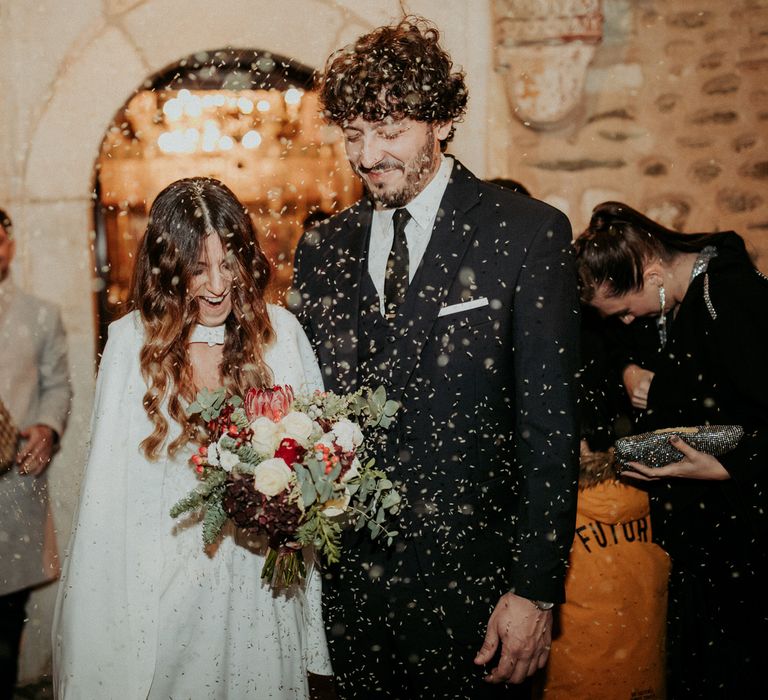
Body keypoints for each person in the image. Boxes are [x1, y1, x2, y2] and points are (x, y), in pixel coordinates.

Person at [292, 17, 580, 699]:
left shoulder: (525, 233)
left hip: (477, 601)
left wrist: (536, 590)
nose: (367, 156)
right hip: (352, 603)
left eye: (389, 131)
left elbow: (550, 430)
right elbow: (310, 411)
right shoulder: (324, 248)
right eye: (354, 135)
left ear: (444, 120)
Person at [53, 178, 331, 699]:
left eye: (229, 264)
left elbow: (315, 472)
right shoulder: (132, 344)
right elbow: (108, 500)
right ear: (167, 265)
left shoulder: (282, 335)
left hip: (260, 588)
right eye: (198, 268)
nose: (218, 285)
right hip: (166, 592)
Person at [574, 201, 768, 698]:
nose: (623, 322)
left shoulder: (731, 296)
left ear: (653, 273)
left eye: (622, 310)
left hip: (744, 542)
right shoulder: (672, 300)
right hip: (708, 544)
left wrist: (724, 468)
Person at [0, 208, 72, 700]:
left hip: (13, 489)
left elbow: (57, 385)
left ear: (9, 245)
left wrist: (47, 427)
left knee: (7, 618)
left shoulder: (40, 313)